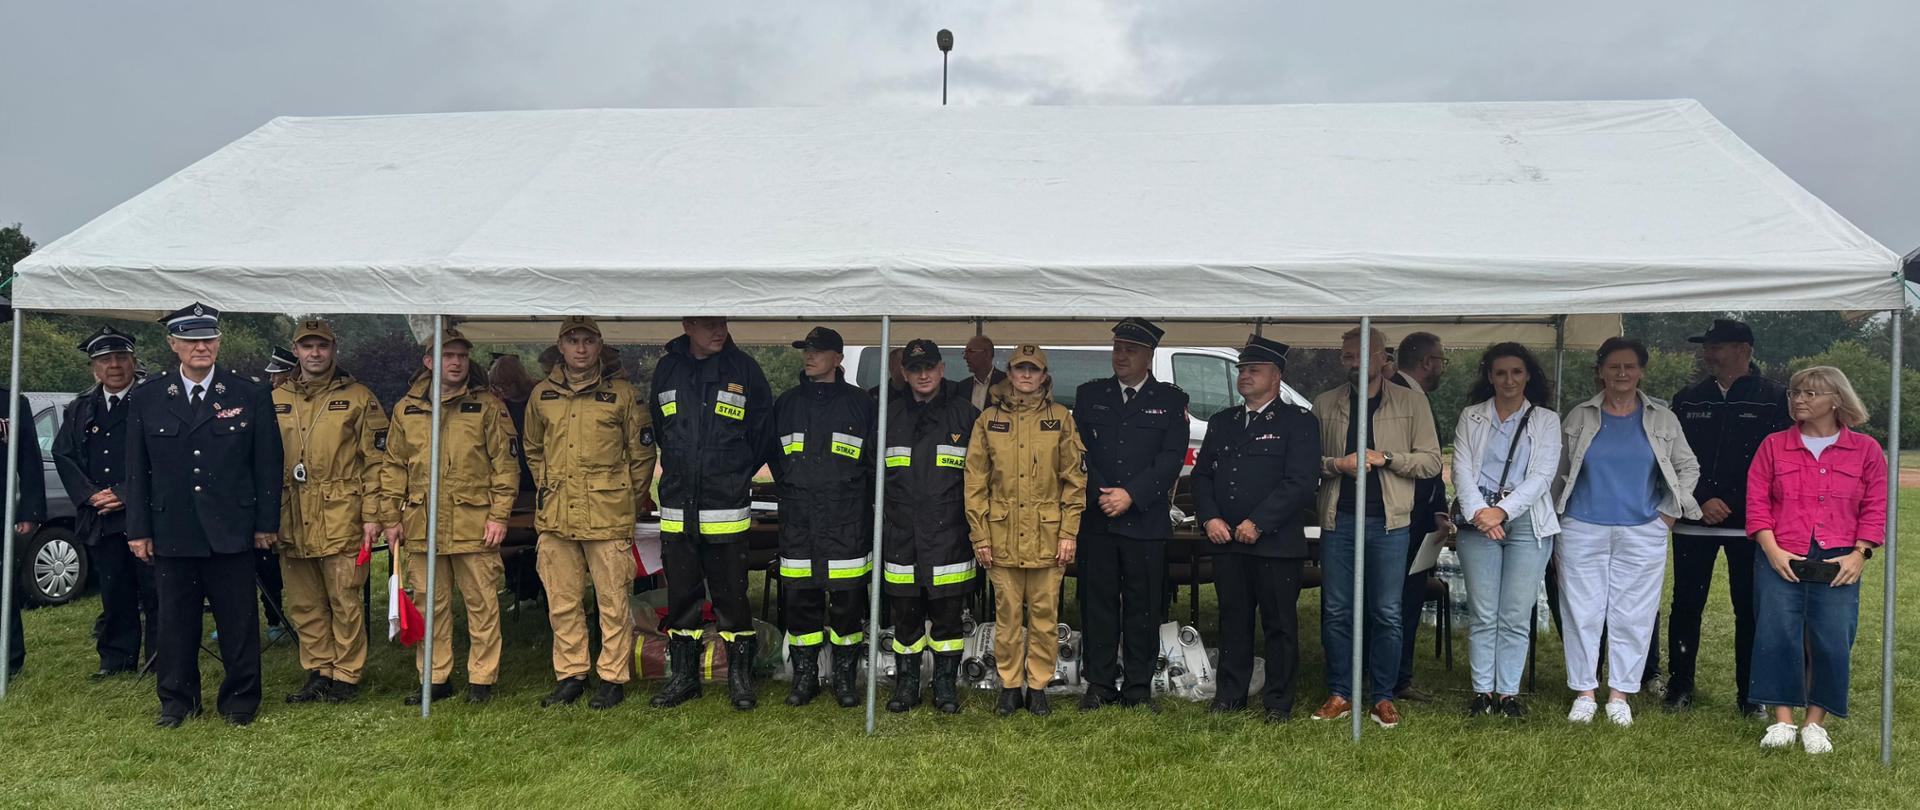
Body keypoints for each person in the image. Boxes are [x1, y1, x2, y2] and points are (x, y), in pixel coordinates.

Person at [124, 303, 282, 727]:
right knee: (175, 622)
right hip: (172, 527)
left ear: (218, 342)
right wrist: (138, 529)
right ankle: (177, 701)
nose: (201, 346)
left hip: (232, 526)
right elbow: (137, 470)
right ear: (173, 344)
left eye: (208, 338)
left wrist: (267, 522)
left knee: (239, 621)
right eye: (191, 339)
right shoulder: (148, 397)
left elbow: (267, 464)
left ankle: (240, 701)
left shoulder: (249, 393)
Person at [1554, 336, 1700, 726]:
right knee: (1582, 611)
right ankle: (1584, 692)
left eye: (1630, 366)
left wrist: (1668, 514)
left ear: (1641, 371)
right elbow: (1558, 470)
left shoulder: (1662, 418)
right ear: (1600, 370)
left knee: (1633, 614)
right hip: (1582, 527)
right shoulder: (1579, 416)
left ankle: (1620, 694)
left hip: (1642, 529)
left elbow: (1689, 467)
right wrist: (1555, 520)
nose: (1622, 373)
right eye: (1614, 366)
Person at [1747, 366, 1885, 754]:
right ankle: (1782, 722)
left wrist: (1861, 553)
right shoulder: (1773, 446)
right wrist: (1771, 550)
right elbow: (1756, 502)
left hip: (1840, 556)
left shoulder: (1867, 450)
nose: (1798, 400)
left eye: (1810, 394)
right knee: (1776, 634)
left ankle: (1815, 723)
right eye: (1795, 393)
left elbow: (1876, 507)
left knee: (1832, 639)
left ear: (1836, 400)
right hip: (1781, 552)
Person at [1309, 326, 1441, 729]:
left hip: (1391, 522)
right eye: (1348, 355)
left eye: (1363, 354)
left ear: (1384, 358)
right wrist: (1338, 465)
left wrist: (1385, 457)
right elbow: (1306, 462)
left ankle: (1382, 697)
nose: (1355, 362)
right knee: (1335, 610)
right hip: (1338, 520)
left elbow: (1432, 462)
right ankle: (1340, 693)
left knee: (1387, 612)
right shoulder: (1324, 403)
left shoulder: (1410, 402)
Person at [381, 327, 519, 705]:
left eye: (461, 355)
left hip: (474, 523)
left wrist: (499, 516)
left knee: (482, 603)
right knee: (430, 605)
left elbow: (505, 467)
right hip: (423, 523)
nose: (455, 362)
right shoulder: (407, 408)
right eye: (447, 355)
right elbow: (393, 466)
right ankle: (435, 677)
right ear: (429, 362)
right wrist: (390, 516)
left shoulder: (486, 406)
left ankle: (482, 678)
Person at [524, 316, 654, 709]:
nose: (580, 348)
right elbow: (533, 448)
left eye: (588, 341)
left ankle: (612, 677)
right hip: (557, 516)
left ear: (600, 346)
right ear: (560, 346)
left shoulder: (623, 395)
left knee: (613, 600)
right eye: (572, 340)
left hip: (607, 514)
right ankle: (571, 673)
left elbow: (642, 455)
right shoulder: (541, 395)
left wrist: (624, 501)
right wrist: (550, 485)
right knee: (562, 599)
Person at [1192, 336, 1321, 722]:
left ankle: (1278, 702)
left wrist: (1259, 523)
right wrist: (1210, 517)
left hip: (1275, 543)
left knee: (1279, 624)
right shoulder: (1223, 422)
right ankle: (1230, 695)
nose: (1245, 376)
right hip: (1227, 540)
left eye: (1254, 370)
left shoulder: (1297, 421)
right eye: (1242, 371)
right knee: (1234, 619)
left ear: (1276, 377)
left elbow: (1300, 481)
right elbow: (1202, 477)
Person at [1665, 319, 1789, 717]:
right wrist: (1702, 498)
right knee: (1686, 604)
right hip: (1693, 520)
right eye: (1706, 347)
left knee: (1748, 609)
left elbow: (1776, 463)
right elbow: (1671, 458)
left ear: (1744, 350)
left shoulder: (1776, 398)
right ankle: (1679, 686)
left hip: (1749, 524)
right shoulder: (1687, 398)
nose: (1708, 354)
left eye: (1717, 346)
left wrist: (1731, 501)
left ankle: (1750, 695)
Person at [648, 315, 772, 711]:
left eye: (721, 323)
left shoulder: (744, 369)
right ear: (687, 326)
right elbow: (661, 426)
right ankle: (684, 678)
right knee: (682, 597)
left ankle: (739, 677)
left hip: (725, 504)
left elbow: (763, 432)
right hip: (677, 504)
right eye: (707, 325)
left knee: (732, 597)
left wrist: (733, 471)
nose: (718, 331)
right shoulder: (668, 368)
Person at [272, 319, 396, 705]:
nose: (315, 353)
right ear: (295, 351)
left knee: (344, 597)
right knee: (304, 601)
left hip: (342, 511)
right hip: (290, 512)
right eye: (307, 347)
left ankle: (346, 673)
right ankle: (318, 670)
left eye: (322, 347)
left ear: (333, 350)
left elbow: (379, 461)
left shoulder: (359, 397)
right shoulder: (276, 398)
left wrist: (374, 514)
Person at [965, 344, 1087, 717]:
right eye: (1020, 368)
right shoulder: (988, 419)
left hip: (1048, 539)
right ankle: (1009, 686)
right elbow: (974, 483)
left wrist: (1069, 533)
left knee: (1045, 617)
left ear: (1044, 376)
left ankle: (1037, 687)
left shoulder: (1061, 418)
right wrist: (980, 536)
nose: (1027, 376)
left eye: (1034, 370)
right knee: (1007, 618)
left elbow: (1075, 481)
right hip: (1001, 537)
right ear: (1010, 372)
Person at [1073, 318, 1188, 712]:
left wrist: (1131, 495)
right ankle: (1100, 683)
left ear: (1149, 356)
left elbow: (1171, 459)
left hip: (1144, 520)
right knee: (1097, 602)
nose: (1121, 356)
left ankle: (1139, 686)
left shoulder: (1171, 400)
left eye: (1131, 349)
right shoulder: (1090, 396)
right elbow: (1078, 454)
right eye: (1118, 347)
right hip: (1099, 518)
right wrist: (1103, 494)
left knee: (1144, 605)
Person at [1451, 343, 1561, 718]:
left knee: (1515, 613)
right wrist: (1482, 513)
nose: (1509, 379)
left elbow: (1543, 476)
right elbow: (1461, 469)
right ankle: (1483, 692)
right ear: (1489, 377)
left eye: (1516, 372)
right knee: (1483, 612)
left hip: (1527, 520)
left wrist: (1502, 511)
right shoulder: (1472, 416)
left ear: (1528, 374)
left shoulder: (1545, 419)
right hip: (1478, 520)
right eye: (1501, 373)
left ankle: (1507, 694)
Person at [768, 327, 874, 708]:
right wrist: (794, 489)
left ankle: (845, 679)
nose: (808, 356)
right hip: (799, 518)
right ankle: (806, 677)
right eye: (806, 350)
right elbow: (776, 459)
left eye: (818, 350)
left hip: (846, 519)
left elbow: (872, 464)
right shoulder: (787, 403)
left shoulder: (861, 405)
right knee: (800, 601)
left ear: (838, 358)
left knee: (847, 603)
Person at [880, 339, 979, 714]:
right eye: (914, 369)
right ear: (904, 374)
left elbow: (979, 480)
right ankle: (906, 684)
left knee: (947, 620)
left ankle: (944, 686)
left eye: (930, 367)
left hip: (948, 538)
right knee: (904, 618)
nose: (923, 375)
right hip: (901, 536)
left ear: (941, 370)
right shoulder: (887, 417)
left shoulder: (965, 417)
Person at [52, 326, 156, 678]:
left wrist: (125, 493)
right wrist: (88, 495)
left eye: (121, 358)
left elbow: (165, 456)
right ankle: (116, 658)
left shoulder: (153, 400)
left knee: (155, 590)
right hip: (100, 515)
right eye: (105, 360)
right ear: (94, 368)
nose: (114, 365)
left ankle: (160, 657)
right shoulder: (81, 407)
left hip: (145, 513)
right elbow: (63, 454)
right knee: (115, 591)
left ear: (133, 362)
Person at [1388, 330, 1453, 703]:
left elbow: (1431, 464)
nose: (1442, 367)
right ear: (1428, 362)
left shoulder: (1418, 396)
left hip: (1421, 519)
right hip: (1399, 518)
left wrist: (1439, 510)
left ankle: (1398, 675)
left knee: (1407, 599)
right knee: (1395, 601)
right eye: (1442, 360)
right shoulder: (1394, 394)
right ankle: (1392, 678)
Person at [486, 353, 537, 494]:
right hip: (509, 472)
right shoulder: (496, 405)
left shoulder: (538, 400)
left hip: (535, 474)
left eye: (506, 385)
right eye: (497, 386)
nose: (501, 390)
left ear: (518, 380)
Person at [955, 335, 1008, 411]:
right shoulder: (961, 387)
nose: (965, 357)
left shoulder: (1006, 382)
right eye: (965, 352)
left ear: (987, 354)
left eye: (970, 351)